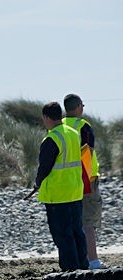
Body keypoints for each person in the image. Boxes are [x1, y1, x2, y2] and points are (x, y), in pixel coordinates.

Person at [33, 102, 87, 272]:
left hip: (58, 195)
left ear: (47, 118)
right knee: (77, 232)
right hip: (75, 191)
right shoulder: (73, 133)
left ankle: (71, 271)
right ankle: (82, 267)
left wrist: (37, 183)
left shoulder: (52, 138)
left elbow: (44, 167)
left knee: (63, 236)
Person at [63, 93, 105, 269]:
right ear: (79, 106)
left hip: (64, 182)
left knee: (71, 224)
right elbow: (87, 155)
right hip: (85, 181)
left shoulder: (59, 126)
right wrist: (87, 183)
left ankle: (78, 261)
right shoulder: (83, 126)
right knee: (87, 222)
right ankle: (92, 260)